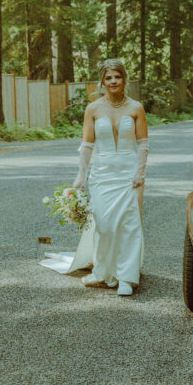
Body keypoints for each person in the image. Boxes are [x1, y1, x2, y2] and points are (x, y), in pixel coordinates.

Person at [41, 59, 149, 296]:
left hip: (129, 175)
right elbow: (87, 146)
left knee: (129, 225)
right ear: (102, 81)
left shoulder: (136, 107)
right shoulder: (93, 109)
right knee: (105, 225)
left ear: (124, 79)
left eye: (117, 77)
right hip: (101, 175)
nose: (113, 81)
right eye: (108, 78)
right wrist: (81, 176)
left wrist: (139, 172)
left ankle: (126, 278)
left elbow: (142, 144)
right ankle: (104, 272)